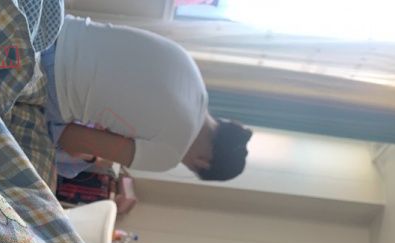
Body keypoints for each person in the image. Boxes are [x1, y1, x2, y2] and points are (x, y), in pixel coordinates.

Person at [41, 15, 253, 181]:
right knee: (67, 163)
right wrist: (93, 157)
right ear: (203, 163)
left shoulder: (192, 71)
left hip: (55, 27)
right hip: (51, 82)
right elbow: (71, 139)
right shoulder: (169, 156)